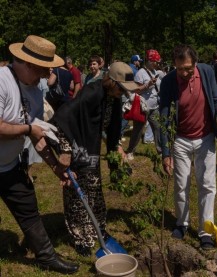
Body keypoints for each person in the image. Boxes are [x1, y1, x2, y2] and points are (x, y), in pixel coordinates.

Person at [0, 35, 79, 274]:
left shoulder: (34, 93)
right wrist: (27, 129)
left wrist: (57, 168)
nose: (46, 77)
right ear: (28, 64)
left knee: (29, 209)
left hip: (9, 166)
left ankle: (46, 257)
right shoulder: (1, 81)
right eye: (42, 71)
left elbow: (37, 136)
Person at [50, 62, 139, 256]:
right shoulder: (91, 93)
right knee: (76, 194)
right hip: (74, 146)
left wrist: (116, 147)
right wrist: (65, 151)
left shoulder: (113, 98)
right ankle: (80, 236)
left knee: (95, 190)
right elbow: (62, 118)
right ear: (112, 82)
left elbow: (113, 127)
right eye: (122, 88)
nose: (124, 93)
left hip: (90, 148)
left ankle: (98, 229)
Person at [160, 44, 217, 249]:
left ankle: (205, 231)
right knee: (181, 184)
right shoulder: (168, 82)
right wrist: (166, 153)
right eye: (180, 68)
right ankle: (182, 223)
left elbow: (216, 99)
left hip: (205, 137)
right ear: (174, 64)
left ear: (195, 63)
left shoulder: (207, 72)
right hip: (181, 140)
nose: (184, 72)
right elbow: (164, 119)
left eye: (188, 68)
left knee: (207, 185)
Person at [126, 49, 162, 160]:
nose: (158, 64)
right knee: (138, 130)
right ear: (150, 61)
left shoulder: (155, 72)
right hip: (143, 107)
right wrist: (147, 85)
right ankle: (130, 151)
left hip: (154, 107)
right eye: (156, 62)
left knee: (157, 128)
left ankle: (160, 151)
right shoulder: (141, 73)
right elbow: (136, 90)